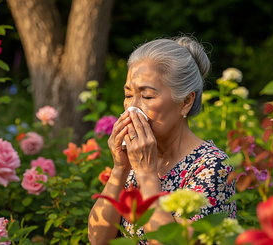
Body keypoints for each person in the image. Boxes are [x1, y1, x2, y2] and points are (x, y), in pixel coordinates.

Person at [88, 36, 236, 244]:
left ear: (185, 102)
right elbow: (98, 240)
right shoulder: (137, 157)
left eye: (147, 96)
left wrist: (147, 175)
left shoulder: (212, 166)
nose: (133, 108)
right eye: (129, 95)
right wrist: (120, 168)